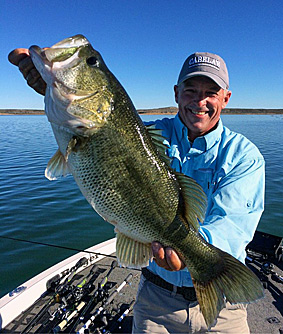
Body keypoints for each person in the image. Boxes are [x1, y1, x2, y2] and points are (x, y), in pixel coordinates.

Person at [8, 49, 265, 333]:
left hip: (224, 306)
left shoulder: (244, 156)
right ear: (176, 93)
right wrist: (54, 92)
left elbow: (234, 224)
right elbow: (105, 130)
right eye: (191, 90)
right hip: (156, 301)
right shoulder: (145, 134)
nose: (200, 101)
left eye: (211, 93)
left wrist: (192, 255)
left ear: (226, 98)